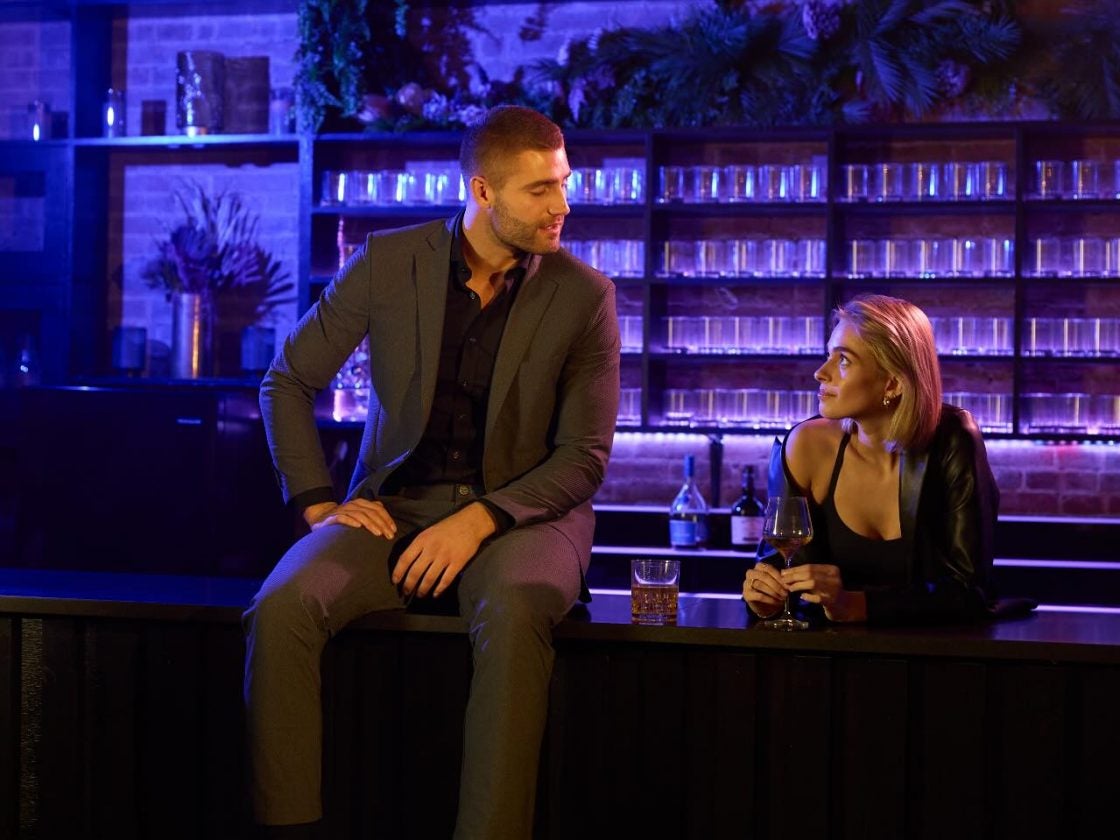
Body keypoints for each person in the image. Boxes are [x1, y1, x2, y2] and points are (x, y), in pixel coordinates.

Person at [243, 105, 621, 839]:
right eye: (540, 189)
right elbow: (286, 381)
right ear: (482, 191)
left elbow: (584, 457)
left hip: (525, 516)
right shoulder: (389, 262)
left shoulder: (585, 296)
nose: (562, 205)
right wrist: (318, 503)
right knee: (282, 606)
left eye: (564, 183)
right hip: (394, 508)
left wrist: (479, 519)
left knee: (513, 608)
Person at [743, 293, 999, 625]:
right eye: (828, 355)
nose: (821, 373)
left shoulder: (954, 439)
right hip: (827, 651)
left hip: (933, 650)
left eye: (844, 360)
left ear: (892, 383)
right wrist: (765, 600)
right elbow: (779, 568)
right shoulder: (806, 445)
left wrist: (857, 605)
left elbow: (970, 590)